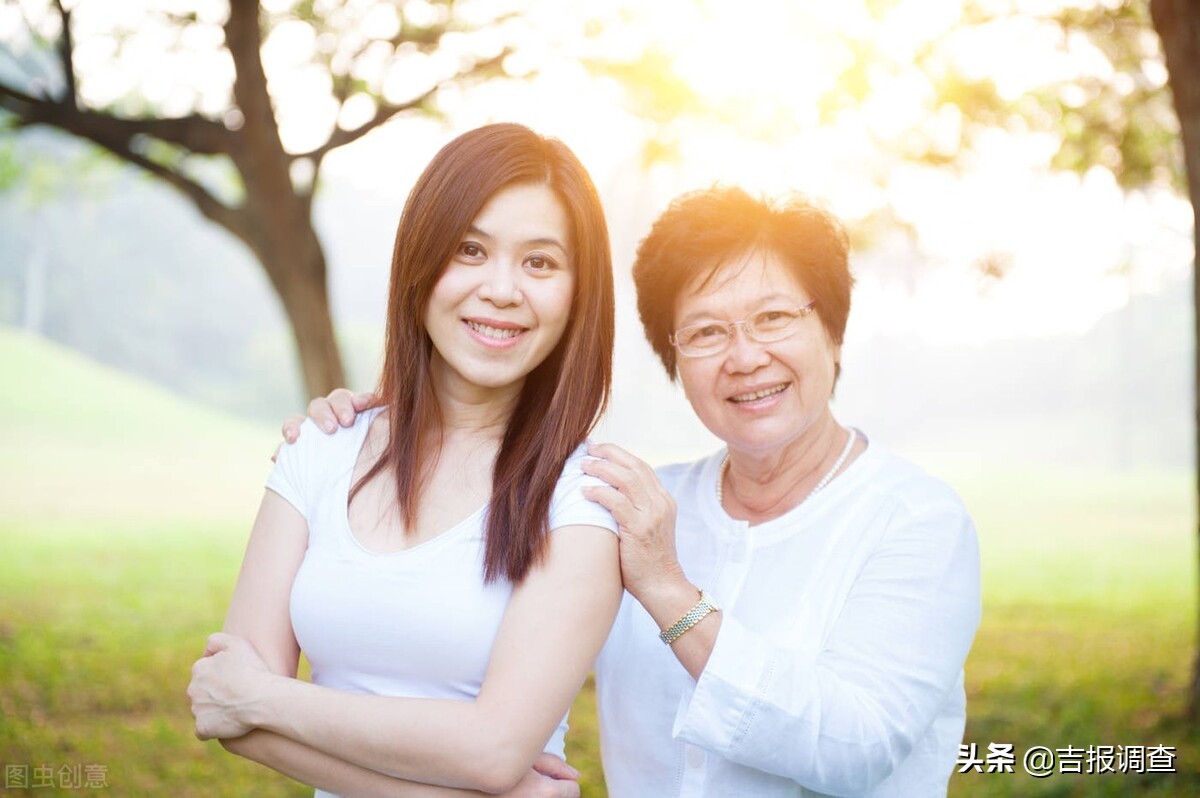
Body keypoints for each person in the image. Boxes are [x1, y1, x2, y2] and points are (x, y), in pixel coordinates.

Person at [287, 186, 982, 797]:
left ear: (832, 329)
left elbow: (855, 746)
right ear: (674, 359)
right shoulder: (624, 500)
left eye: (773, 319)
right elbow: (457, 635)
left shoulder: (913, 521)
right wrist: (380, 433)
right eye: (706, 332)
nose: (745, 358)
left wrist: (668, 589)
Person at [187, 123, 623, 798]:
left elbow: (493, 750)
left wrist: (264, 700)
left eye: (540, 262)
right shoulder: (321, 449)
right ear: (421, 262)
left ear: (578, 294)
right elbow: (227, 714)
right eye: (470, 249)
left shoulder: (583, 498)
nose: (503, 289)